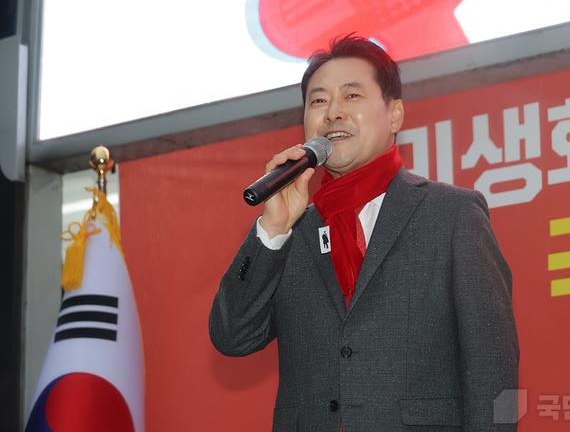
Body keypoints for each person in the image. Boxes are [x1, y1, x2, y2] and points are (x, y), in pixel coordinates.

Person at [209, 35, 519, 432]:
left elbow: (494, 369)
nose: (332, 113)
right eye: (318, 101)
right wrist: (272, 230)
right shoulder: (291, 231)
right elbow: (232, 336)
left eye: (351, 96)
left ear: (395, 115)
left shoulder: (451, 215)